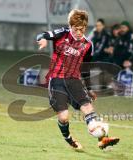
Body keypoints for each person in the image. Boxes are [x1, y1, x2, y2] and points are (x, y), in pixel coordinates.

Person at [37, 9, 119, 150]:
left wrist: (89, 88)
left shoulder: (88, 45)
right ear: (71, 26)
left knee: (87, 107)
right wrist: (43, 40)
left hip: (74, 81)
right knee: (63, 117)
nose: (79, 32)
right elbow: (42, 34)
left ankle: (103, 140)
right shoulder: (62, 34)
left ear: (85, 28)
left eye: (82, 29)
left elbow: (85, 69)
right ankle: (68, 138)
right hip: (57, 80)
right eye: (76, 29)